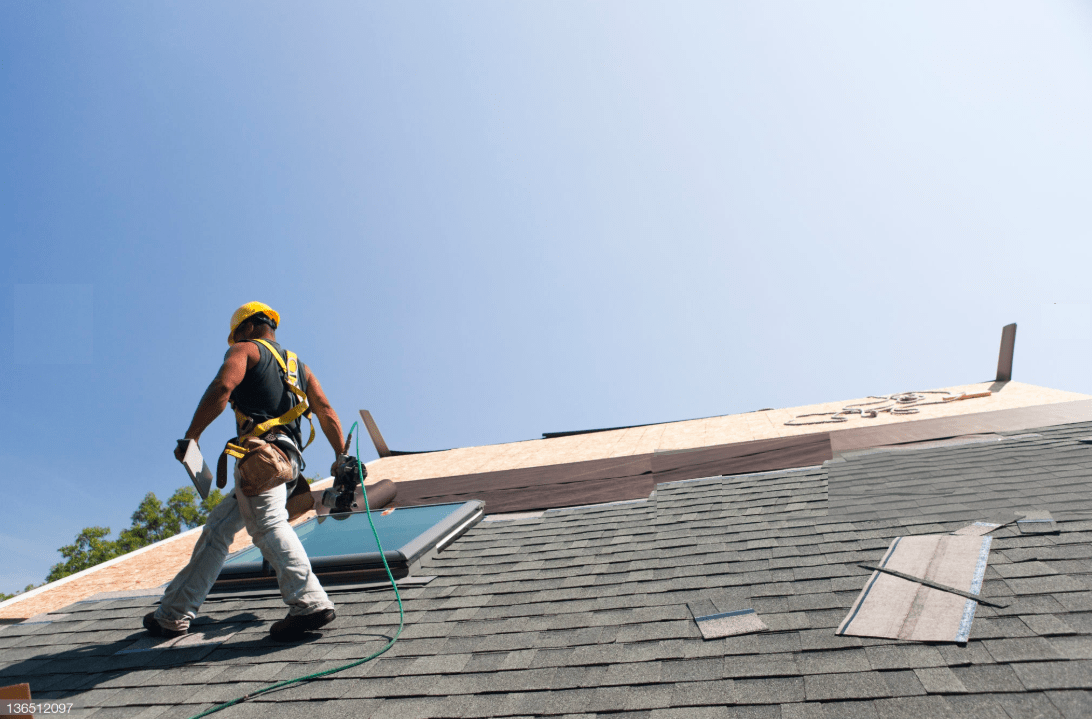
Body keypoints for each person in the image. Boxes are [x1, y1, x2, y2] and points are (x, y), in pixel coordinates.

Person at [144, 302, 348, 640]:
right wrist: (341, 456)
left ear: (250, 327)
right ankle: (172, 613)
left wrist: (192, 437)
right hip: (289, 462)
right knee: (218, 529)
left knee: (268, 525)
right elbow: (325, 409)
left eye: (236, 334)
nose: (234, 341)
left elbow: (223, 388)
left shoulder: (246, 350)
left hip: (262, 458)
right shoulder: (301, 368)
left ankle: (309, 601)